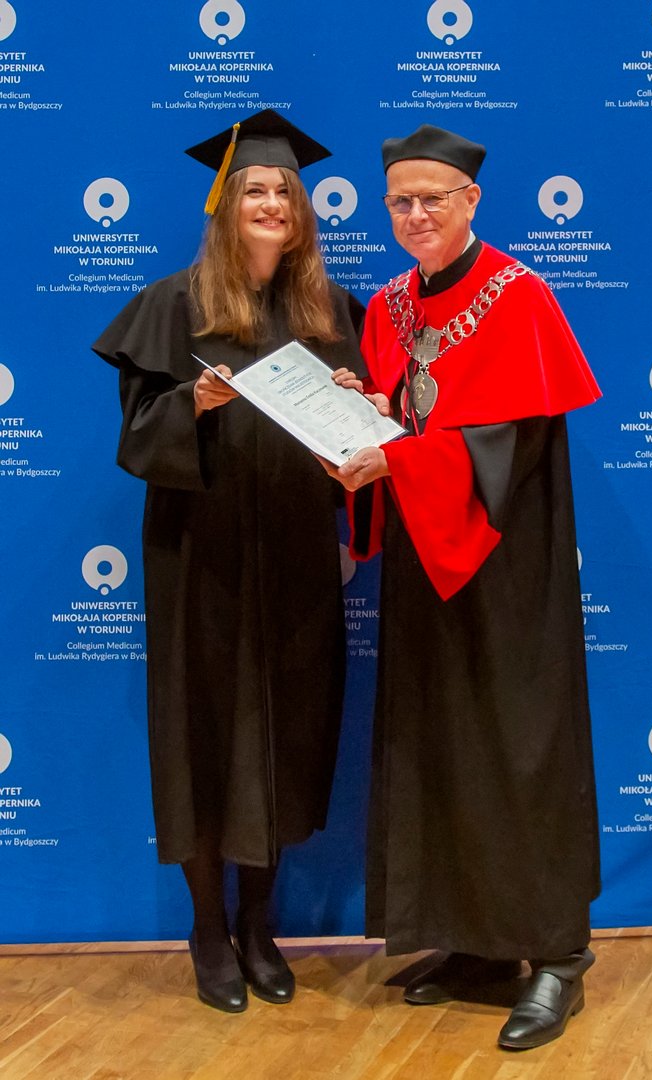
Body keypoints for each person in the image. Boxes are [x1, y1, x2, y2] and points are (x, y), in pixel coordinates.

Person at [327, 124, 601, 1051]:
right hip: (424, 558)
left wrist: (399, 456)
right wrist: (363, 412)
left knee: (520, 745)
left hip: (507, 565)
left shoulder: (520, 296)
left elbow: (508, 447)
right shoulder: (390, 304)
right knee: (439, 740)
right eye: (400, 201)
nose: (415, 215)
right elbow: (404, 417)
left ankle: (557, 952)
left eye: (432, 198)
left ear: (471, 200)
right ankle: (477, 944)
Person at [92, 111, 365, 1013]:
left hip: (293, 553)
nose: (271, 202)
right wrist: (195, 403)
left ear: (302, 211)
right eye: (254, 189)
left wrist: (354, 405)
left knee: (285, 729)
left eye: (284, 191)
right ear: (225, 204)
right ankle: (208, 929)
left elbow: (359, 447)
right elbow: (137, 437)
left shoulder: (329, 311)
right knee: (203, 733)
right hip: (198, 557)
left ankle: (259, 925)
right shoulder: (174, 306)